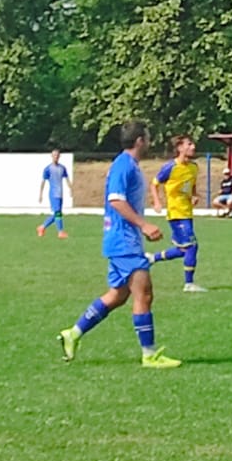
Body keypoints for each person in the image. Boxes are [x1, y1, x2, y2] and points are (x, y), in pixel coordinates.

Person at [56, 121, 180, 368]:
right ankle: (149, 355)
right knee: (143, 294)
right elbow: (116, 200)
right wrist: (144, 225)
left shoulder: (128, 165)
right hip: (124, 241)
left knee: (118, 295)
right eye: (148, 137)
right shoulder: (124, 165)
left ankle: (74, 333)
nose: (150, 141)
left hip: (123, 241)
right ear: (140, 141)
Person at [147, 136, 205, 292]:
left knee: (183, 250)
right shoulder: (170, 167)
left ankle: (152, 258)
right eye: (189, 144)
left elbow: (191, 186)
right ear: (180, 148)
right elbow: (154, 184)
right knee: (192, 246)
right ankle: (189, 284)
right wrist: (157, 202)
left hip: (187, 213)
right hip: (176, 213)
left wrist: (194, 195)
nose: (193, 146)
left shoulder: (194, 167)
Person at [37, 148, 71, 239]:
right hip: (53, 194)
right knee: (58, 213)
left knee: (57, 214)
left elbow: (67, 179)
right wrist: (40, 194)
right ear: (51, 156)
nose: (55, 157)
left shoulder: (62, 168)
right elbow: (43, 181)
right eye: (54, 155)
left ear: (59, 156)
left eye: (57, 155)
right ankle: (60, 232)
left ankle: (42, 227)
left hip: (60, 194)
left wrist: (71, 189)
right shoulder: (48, 169)